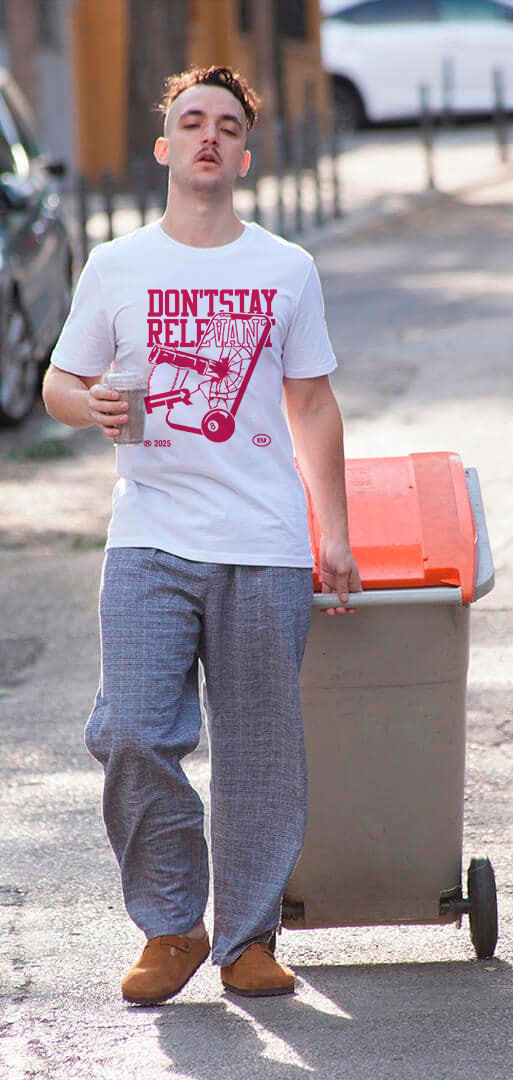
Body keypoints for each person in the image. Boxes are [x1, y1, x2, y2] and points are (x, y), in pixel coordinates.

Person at [42, 66, 361, 1005]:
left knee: (260, 751)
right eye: (191, 122)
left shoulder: (285, 268)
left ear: (247, 156)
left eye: (227, 124)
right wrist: (92, 405)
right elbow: (58, 383)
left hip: (264, 540)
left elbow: (313, 403)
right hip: (149, 531)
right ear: (164, 148)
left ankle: (248, 938)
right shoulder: (117, 265)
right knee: (133, 730)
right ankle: (172, 925)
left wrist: (334, 531)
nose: (209, 135)